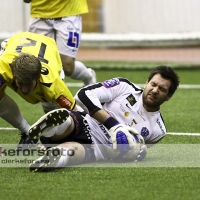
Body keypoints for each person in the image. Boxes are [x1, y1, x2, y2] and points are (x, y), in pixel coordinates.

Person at [27, 66, 179, 172]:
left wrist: (137, 153)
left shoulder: (158, 130)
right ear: (147, 83)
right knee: (69, 120)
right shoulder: (125, 87)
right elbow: (83, 94)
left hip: (101, 149)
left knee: (71, 152)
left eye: (162, 89)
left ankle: (54, 154)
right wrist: (114, 126)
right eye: (153, 84)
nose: (155, 90)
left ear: (169, 96)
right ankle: (52, 127)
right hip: (86, 123)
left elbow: (136, 149)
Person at [0, 31, 82, 151]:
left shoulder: (54, 85)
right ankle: (27, 132)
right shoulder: (3, 68)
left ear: (38, 77)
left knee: (52, 106)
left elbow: (77, 113)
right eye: (20, 84)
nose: (23, 90)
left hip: (48, 46)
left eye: (29, 85)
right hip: (18, 39)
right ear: (13, 75)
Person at [23, 0, 96, 86]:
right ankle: (47, 98)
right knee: (39, 65)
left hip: (69, 13)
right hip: (40, 15)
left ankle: (88, 76)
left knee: (67, 67)